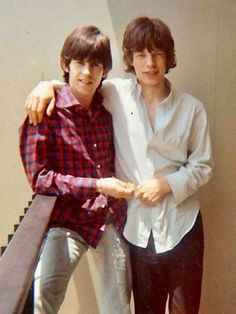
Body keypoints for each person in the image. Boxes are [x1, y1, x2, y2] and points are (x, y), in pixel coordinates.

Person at [24, 17, 213, 314]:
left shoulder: (192, 108)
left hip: (182, 224)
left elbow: (202, 166)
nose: (150, 63)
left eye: (158, 53)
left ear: (169, 57)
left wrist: (166, 185)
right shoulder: (115, 93)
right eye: (141, 55)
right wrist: (45, 85)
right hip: (137, 227)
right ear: (130, 59)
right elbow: (77, 83)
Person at [19, 25, 134, 314]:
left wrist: (107, 192)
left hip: (109, 218)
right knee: (41, 299)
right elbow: (40, 178)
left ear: (104, 71)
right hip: (67, 220)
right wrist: (96, 186)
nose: (87, 72)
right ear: (65, 65)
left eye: (95, 65)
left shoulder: (109, 107)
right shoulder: (45, 111)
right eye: (80, 63)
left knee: (118, 307)